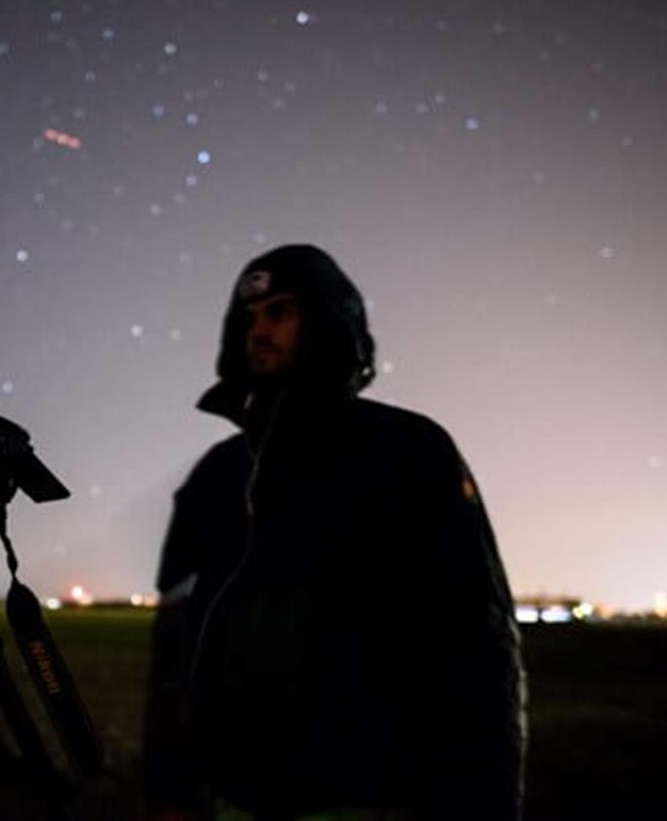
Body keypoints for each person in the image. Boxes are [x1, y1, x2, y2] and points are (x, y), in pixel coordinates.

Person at [141, 244, 526, 820]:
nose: (259, 330)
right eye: (249, 317)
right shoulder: (216, 475)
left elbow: (477, 639)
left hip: (374, 797)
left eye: (280, 311)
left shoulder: (408, 451)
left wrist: (486, 802)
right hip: (237, 801)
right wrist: (168, 789)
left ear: (326, 319)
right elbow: (173, 643)